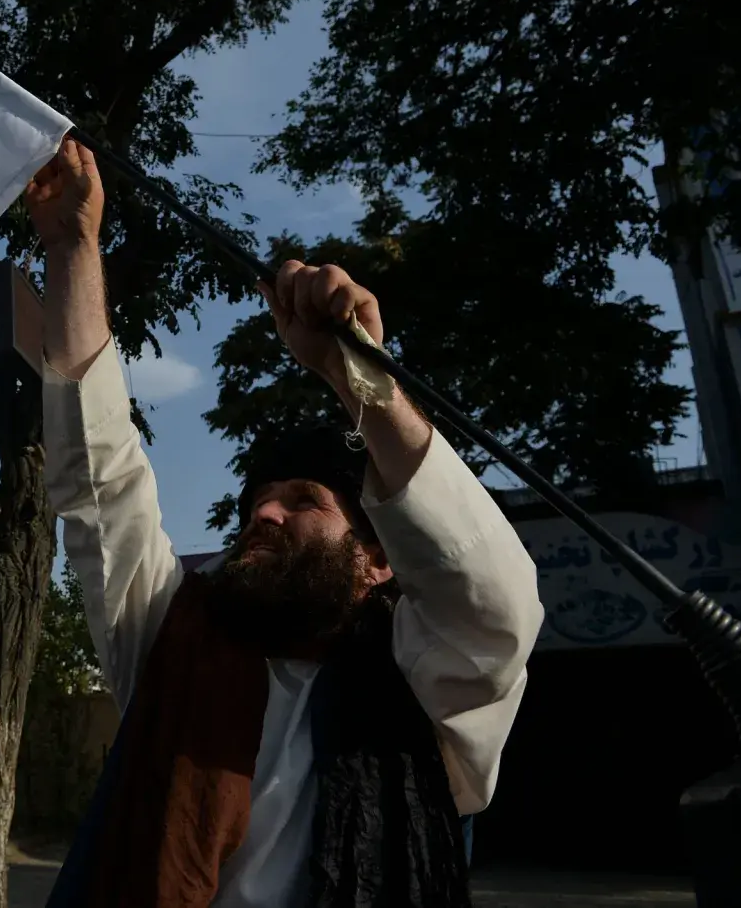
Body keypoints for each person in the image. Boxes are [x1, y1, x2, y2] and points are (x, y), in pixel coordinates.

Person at [29, 139, 544, 908]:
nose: (263, 514)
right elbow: (95, 477)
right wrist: (73, 244)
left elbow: (492, 594)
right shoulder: (171, 637)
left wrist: (355, 375)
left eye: (304, 500)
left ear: (377, 559)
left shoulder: (427, 682)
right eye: (257, 501)